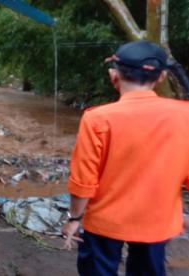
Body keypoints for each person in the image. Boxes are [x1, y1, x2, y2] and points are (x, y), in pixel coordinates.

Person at [61, 40, 189, 275]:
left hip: (104, 224)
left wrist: (74, 218)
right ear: (160, 78)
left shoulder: (98, 119)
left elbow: (83, 182)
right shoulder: (185, 116)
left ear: (114, 75)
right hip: (157, 223)